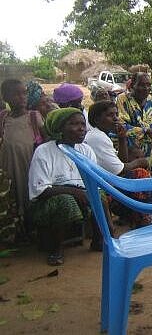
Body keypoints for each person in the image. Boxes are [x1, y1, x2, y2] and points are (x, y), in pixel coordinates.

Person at [28, 108, 111, 265]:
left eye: (82, 124)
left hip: (80, 194)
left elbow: (94, 180)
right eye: (73, 124)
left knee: (99, 196)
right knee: (66, 201)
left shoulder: (85, 150)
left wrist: (85, 193)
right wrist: (75, 192)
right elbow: (41, 191)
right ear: (59, 127)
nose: (81, 128)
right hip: (47, 202)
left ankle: (99, 239)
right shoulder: (44, 152)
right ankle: (56, 248)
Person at [84, 101, 152, 228]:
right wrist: (140, 162)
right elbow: (120, 170)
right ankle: (143, 216)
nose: (115, 118)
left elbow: (121, 161)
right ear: (97, 120)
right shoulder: (97, 137)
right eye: (110, 115)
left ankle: (136, 216)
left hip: (104, 181)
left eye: (116, 114)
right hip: (102, 187)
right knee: (140, 173)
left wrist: (122, 138)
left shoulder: (101, 135)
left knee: (136, 168)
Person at [0, 80, 46, 242]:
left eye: (24, 93)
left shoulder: (34, 117)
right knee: (11, 198)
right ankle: (16, 232)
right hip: (7, 168)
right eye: (17, 94)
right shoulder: (4, 117)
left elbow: (45, 143)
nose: (22, 97)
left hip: (28, 167)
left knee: (27, 196)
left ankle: (31, 229)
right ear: (5, 97)